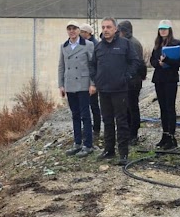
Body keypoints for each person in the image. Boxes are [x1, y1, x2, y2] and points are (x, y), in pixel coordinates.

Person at [89, 17, 141, 166]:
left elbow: (135, 62)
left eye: (108, 27)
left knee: (122, 121)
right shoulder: (99, 47)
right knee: (107, 121)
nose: (105, 30)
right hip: (104, 90)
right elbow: (92, 65)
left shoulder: (125, 44)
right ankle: (109, 150)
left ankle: (123, 153)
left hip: (120, 90)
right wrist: (96, 79)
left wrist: (127, 77)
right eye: (103, 27)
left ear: (115, 29)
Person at [58, 20, 95, 157]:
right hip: (69, 85)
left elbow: (92, 65)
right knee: (75, 115)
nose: (72, 31)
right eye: (69, 29)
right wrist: (61, 85)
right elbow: (61, 66)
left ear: (79, 30)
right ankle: (77, 143)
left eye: (74, 28)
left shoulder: (88, 45)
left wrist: (93, 84)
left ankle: (88, 145)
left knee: (85, 114)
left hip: (83, 84)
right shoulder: (63, 46)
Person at [149, 20, 180, 150]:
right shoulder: (157, 45)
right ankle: (164, 135)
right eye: (161, 29)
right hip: (159, 79)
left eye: (165, 29)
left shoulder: (176, 43)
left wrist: (167, 60)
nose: (163, 31)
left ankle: (171, 136)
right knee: (163, 108)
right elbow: (152, 60)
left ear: (169, 30)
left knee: (170, 107)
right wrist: (157, 63)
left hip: (170, 79)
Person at [118, 20, 147, 145]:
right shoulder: (127, 42)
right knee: (127, 108)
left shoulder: (132, 43)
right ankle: (128, 132)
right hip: (129, 80)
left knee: (132, 107)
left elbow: (136, 63)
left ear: (124, 31)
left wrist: (130, 76)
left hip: (133, 80)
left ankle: (133, 134)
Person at [80, 23, 102, 135]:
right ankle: (91, 127)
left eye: (81, 32)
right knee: (87, 105)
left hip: (92, 79)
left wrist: (94, 82)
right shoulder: (86, 43)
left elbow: (95, 64)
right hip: (86, 79)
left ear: (87, 33)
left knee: (93, 105)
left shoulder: (94, 45)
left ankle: (96, 128)